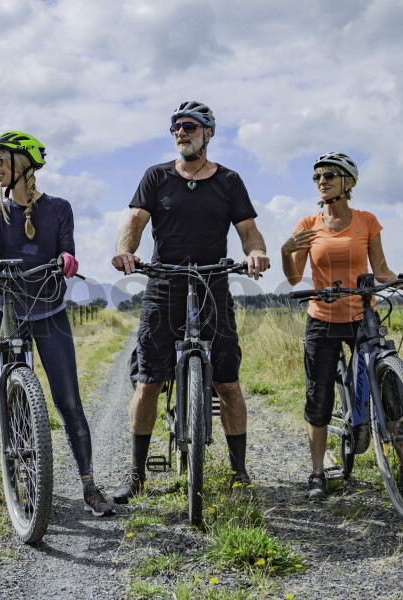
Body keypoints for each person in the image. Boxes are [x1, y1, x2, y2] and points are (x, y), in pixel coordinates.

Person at [0, 130, 115, 517]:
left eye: (0, 159)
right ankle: (21, 475)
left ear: (23, 164)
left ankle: (89, 485)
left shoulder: (59, 208)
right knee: (9, 394)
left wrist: (67, 259)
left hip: (50, 312)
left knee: (69, 402)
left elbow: (67, 248)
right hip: (9, 310)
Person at [110, 101, 270, 502]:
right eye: (176, 127)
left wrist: (255, 253)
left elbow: (249, 230)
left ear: (208, 134)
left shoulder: (229, 181)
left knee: (228, 383)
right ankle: (136, 474)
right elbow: (134, 223)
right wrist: (125, 250)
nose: (181, 132)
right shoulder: (157, 176)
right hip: (165, 282)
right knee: (148, 381)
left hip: (213, 282)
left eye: (190, 127)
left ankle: (239, 473)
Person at [280, 152, 403, 500]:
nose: (321, 181)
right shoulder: (307, 224)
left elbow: (382, 273)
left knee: (388, 386)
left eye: (329, 174)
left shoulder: (366, 221)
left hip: (363, 314)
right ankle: (317, 472)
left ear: (348, 182)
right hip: (322, 318)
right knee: (318, 395)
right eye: (317, 176)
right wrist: (286, 250)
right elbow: (292, 278)